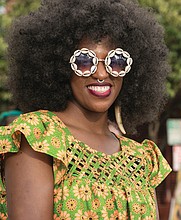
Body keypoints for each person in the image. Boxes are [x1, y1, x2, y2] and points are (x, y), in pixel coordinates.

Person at [0, 0, 172, 219]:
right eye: (84, 61)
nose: (101, 74)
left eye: (116, 61)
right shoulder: (38, 137)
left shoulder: (142, 159)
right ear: (60, 66)